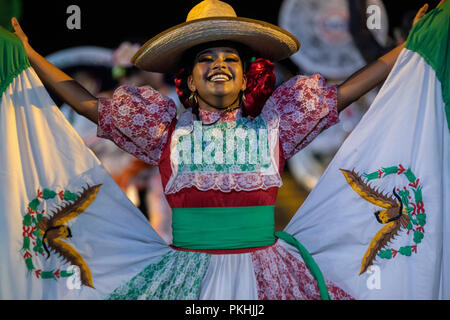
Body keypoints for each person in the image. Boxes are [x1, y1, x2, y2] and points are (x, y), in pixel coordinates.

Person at [10, 0, 435, 300]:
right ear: (189, 81)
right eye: (205, 59)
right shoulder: (162, 129)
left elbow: (351, 89)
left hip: (270, 279)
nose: (219, 65)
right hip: (185, 278)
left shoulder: (276, 125)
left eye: (231, 59)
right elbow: (86, 103)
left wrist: (411, 46)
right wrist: (28, 56)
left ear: (247, 78)